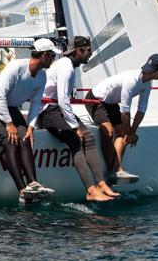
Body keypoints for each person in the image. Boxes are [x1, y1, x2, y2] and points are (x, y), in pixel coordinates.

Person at [35, 36, 118, 202]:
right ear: (78, 51)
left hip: (58, 109)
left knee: (88, 138)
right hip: (47, 112)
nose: (90, 54)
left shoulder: (69, 65)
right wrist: (74, 127)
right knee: (76, 140)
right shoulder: (65, 66)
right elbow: (62, 99)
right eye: (88, 51)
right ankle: (90, 190)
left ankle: (101, 183)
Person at [0, 38, 61, 204]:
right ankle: (21, 190)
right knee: (10, 141)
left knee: (25, 139)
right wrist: (9, 124)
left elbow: (35, 103)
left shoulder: (42, 76)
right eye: (52, 56)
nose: (53, 59)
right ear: (45, 55)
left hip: (11, 109)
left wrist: (31, 127)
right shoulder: (16, 67)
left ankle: (33, 183)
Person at [86, 53, 158, 184]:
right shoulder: (131, 81)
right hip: (95, 99)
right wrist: (130, 133)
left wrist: (133, 132)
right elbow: (125, 111)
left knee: (123, 134)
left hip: (111, 103)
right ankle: (111, 170)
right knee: (109, 131)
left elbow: (141, 110)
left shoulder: (148, 85)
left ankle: (116, 170)